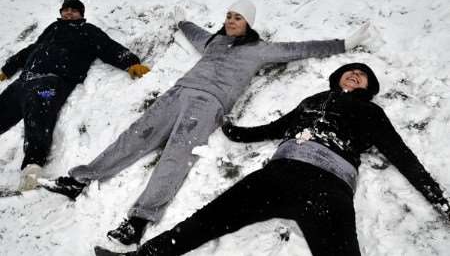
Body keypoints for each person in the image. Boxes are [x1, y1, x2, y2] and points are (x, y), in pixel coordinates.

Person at [41, 0, 373, 246]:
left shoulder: (260, 49)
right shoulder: (214, 42)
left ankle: (139, 220)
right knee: (133, 138)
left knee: (176, 156)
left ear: (248, 23)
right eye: (228, 15)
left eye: (237, 17)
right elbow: (195, 31)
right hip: (176, 94)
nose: (230, 20)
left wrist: (343, 45)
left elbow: (301, 48)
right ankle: (79, 180)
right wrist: (182, 21)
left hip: (207, 104)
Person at [94, 62, 450, 256]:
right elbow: (276, 127)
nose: (355, 75)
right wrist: (236, 132)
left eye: (363, 76)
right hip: (279, 174)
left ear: (367, 88)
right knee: (208, 219)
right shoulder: (312, 100)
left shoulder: (371, 114)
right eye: (350, 71)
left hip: (329, 185)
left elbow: (402, 155)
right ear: (337, 77)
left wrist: (438, 198)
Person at [0, 0, 150, 191]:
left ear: (81, 14)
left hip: (53, 80)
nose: (69, 12)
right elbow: (31, 49)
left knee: (39, 112)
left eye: (74, 10)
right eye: (66, 9)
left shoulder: (87, 31)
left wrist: (130, 62)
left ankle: (32, 167)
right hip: (25, 81)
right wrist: (8, 68)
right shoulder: (51, 29)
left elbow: (108, 47)